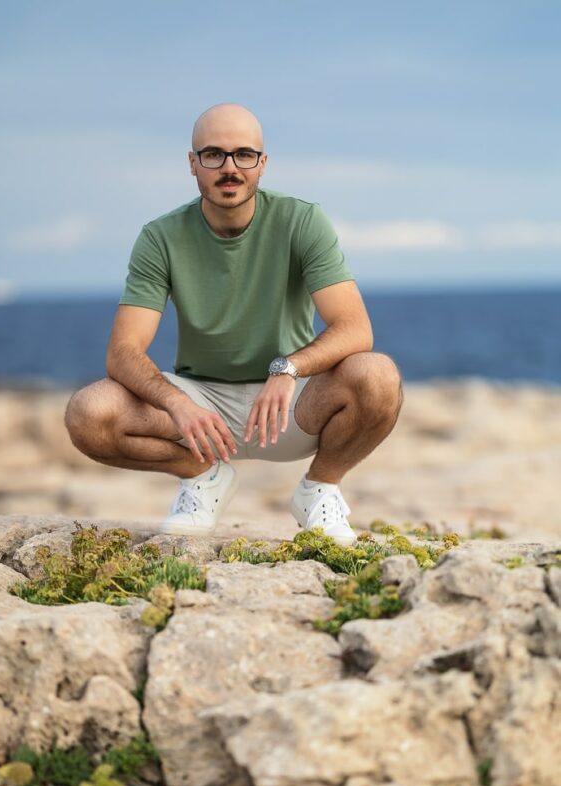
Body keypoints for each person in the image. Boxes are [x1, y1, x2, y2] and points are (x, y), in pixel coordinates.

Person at [64, 103, 403, 543]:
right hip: (200, 411)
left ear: (263, 163)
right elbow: (123, 351)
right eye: (213, 155)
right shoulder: (160, 237)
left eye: (244, 154)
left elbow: (356, 328)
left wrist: (288, 369)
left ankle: (319, 489)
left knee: (377, 376)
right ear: (192, 163)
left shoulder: (302, 220)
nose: (229, 168)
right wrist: (179, 405)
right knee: (89, 413)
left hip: (291, 406)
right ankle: (204, 478)